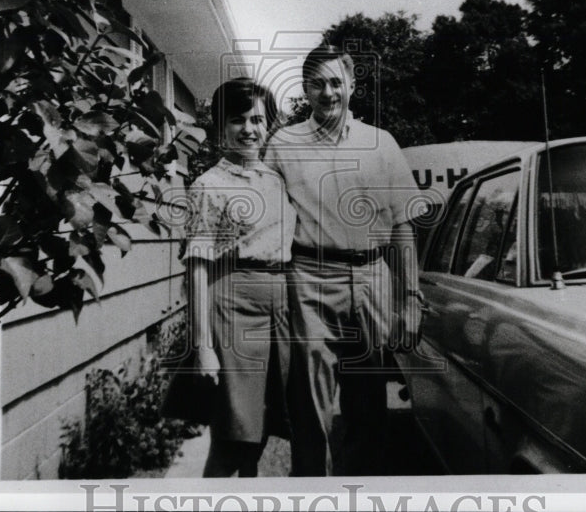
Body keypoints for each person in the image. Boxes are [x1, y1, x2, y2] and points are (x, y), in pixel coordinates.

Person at [265, 44, 423, 476]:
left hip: (373, 277)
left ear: (352, 85)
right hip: (310, 279)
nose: (328, 92)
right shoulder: (283, 144)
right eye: (318, 83)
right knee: (311, 410)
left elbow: (403, 226)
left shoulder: (381, 144)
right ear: (305, 89)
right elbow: (267, 223)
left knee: (370, 409)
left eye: (337, 82)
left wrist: (410, 299)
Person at [181, 78, 297, 477]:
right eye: (237, 120)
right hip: (233, 306)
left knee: (265, 427)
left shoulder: (277, 181)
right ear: (220, 127)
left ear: (269, 125)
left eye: (257, 119)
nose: (249, 129)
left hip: (280, 310)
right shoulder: (208, 186)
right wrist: (202, 346)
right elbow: (197, 265)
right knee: (234, 433)